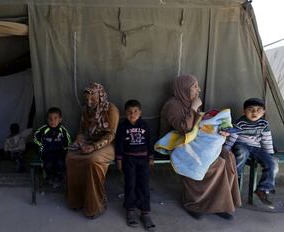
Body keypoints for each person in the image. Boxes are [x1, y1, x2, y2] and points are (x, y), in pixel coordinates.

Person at [159, 74, 241, 220]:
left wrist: (220, 129)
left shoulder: (188, 102)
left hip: (194, 140)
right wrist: (194, 107)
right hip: (177, 142)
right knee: (215, 163)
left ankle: (219, 203)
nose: (199, 89)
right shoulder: (172, 105)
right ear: (183, 88)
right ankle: (194, 203)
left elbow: (198, 125)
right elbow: (185, 128)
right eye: (194, 86)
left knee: (228, 157)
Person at [66, 82, 119, 219]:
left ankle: (96, 204)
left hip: (108, 145)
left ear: (100, 95)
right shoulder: (86, 110)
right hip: (90, 142)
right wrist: (79, 141)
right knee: (71, 157)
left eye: (93, 96)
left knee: (93, 159)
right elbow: (82, 131)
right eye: (87, 97)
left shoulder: (111, 109)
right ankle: (77, 200)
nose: (89, 100)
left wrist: (94, 147)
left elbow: (111, 134)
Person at [224, 98, 279, 208]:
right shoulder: (240, 123)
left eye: (259, 110)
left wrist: (269, 154)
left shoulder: (264, 123)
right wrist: (225, 150)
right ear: (244, 111)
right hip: (241, 145)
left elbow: (267, 139)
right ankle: (235, 179)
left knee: (272, 163)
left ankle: (263, 188)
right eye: (251, 109)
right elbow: (232, 138)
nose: (254, 112)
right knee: (241, 153)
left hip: (256, 147)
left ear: (263, 112)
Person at [115, 99, 155, 229]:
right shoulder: (123, 126)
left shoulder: (144, 125)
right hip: (129, 159)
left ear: (140, 112)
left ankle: (145, 212)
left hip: (143, 159)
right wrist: (119, 160)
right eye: (129, 112)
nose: (133, 114)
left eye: (135, 111)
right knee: (130, 184)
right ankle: (130, 210)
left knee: (143, 184)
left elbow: (149, 142)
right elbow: (119, 144)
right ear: (125, 113)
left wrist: (151, 157)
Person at [34, 107, 71, 188]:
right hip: (47, 152)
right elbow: (35, 137)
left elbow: (68, 141)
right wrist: (41, 146)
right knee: (48, 164)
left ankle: (58, 178)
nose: (52, 121)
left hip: (59, 152)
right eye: (50, 119)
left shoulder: (63, 130)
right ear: (47, 119)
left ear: (60, 119)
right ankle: (49, 177)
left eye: (55, 118)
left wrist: (65, 148)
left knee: (60, 163)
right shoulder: (44, 129)